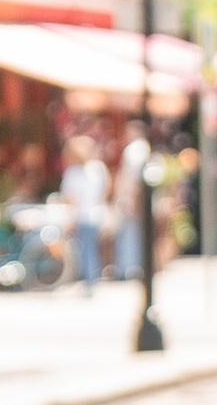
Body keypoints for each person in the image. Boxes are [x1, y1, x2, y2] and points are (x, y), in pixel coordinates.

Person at [60, 133, 109, 292]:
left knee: (86, 249)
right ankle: (93, 278)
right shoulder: (98, 168)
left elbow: (69, 198)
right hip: (97, 213)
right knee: (93, 248)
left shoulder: (73, 172)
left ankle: (89, 281)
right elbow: (106, 188)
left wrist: (70, 218)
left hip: (82, 215)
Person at [112, 117, 150, 282]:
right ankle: (133, 267)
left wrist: (131, 199)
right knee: (133, 233)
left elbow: (133, 178)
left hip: (131, 198)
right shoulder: (143, 148)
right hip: (134, 197)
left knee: (129, 234)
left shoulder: (135, 149)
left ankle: (129, 268)